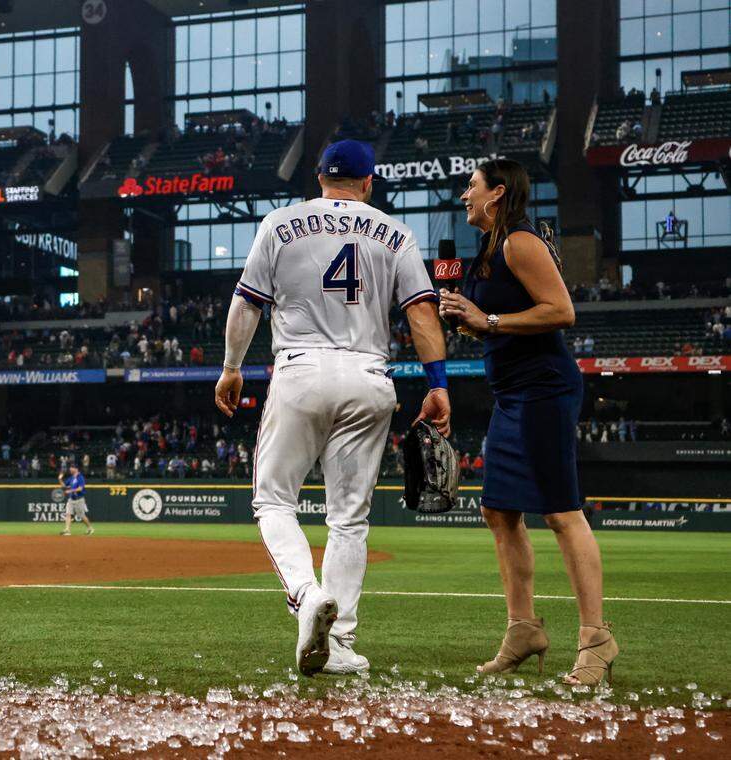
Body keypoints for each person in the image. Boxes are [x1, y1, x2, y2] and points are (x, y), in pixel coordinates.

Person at [215, 139, 451, 677]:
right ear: (369, 183)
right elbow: (421, 314)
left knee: (273, 501)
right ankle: (340, 643)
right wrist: (438, 384)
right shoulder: (396, 233)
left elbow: (246, 303)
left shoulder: (280, 222)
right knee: (349, 519)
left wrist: (232, 367)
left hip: (301, 370)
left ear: (319, 177)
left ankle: (305, 594)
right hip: (369, 376)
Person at [440, 158, 617, 686]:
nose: (464, 196)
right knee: (498, 511)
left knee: (562, 514)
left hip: (544, 391)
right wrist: (472, 323)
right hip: (512, 393)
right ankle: (523, 630)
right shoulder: (490, 249)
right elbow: (502, 324)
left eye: (470, 187)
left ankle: (597, 639)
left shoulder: (519, 241)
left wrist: (488, 319)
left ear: (496, 194)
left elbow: (561, 310)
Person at [59, 463, 94, 536]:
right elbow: (64, 486)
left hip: (79, 499)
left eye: (72, 468)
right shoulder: (71, 478)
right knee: (68, 514)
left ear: (76, 469)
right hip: (71, 499)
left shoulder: (80, 477)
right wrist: (60, 479)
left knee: (82, 516)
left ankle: (90, 528)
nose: (70, 469)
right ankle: (67, 530)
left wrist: (70, 491)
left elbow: (80, 488)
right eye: (70, 468)